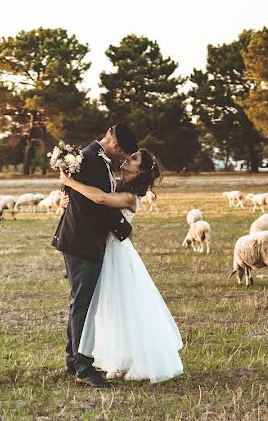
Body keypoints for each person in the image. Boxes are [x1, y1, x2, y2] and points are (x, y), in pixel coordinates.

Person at [59, 148, 184, 384]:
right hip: (98, 249)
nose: (128, 158)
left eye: (135, 158)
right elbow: (90, 198)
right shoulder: (111, 181)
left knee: (122, 306)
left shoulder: (131, 197)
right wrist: (65, 197)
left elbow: (101, 199)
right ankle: (88, 358)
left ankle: (125, 358)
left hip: (116, 254)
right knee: (99, 306)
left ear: (140, 171)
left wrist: (69, 181)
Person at [52, 123, 137, 388]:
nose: (123, 160)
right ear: (115, 146)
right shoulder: (91, 160)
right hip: (82, 241)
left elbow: (81, 192)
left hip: (84, 239)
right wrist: (123, 227)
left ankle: (73, 359)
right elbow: (96, 202)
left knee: (81, 302)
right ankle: (82, 367)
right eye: (123, 154)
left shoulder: (95, 160)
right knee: (84, 305)